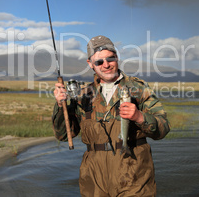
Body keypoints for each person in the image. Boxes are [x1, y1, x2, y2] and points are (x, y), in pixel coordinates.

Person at [53, 35, 170, 196]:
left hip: (134, 176)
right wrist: (60, 106)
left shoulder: (138, 88)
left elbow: (163, 128)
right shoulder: (83, 95)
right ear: (90, 64)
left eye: (111, 59)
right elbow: (64, 135)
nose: (106, 65)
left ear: (117, 57)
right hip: (94, 180)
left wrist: (139, 117)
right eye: (99, 62)